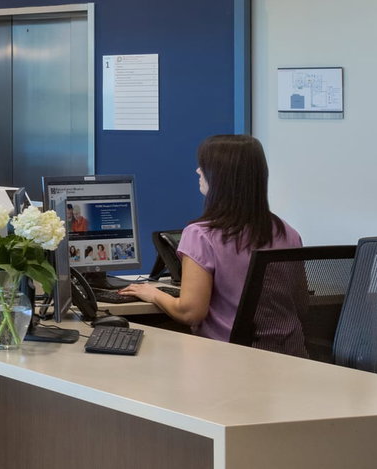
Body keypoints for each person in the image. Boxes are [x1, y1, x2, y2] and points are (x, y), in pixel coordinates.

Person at [121, 134, 302, 350]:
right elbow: (299, 303)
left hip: (230, 358)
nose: (198, 171)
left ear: (220, 176)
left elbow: (190, 312)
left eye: (203, 166)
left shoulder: (201, 235)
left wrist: (154, 294)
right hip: (289, 354)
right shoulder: (288, 232)